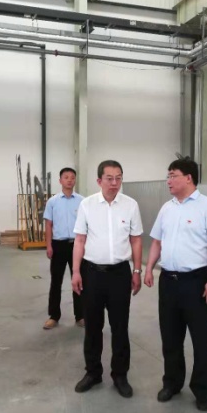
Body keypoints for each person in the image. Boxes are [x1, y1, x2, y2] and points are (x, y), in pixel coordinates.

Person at [144, 157, 207, 411]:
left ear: (188, 178)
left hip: (196, 283)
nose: (168, 181)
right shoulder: (166, 208)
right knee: (170, 337)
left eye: (173, 175)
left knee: (201, 340)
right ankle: (172, 383)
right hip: (168, 281)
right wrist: (148, 268)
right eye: (168, 176)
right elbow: (157, 241)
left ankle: (202, 391)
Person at [71, 160, 143, 398]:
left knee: (120, 327)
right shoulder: (87, 205)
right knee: (93, 327)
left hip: (120, 274)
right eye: (109, 178)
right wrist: (76, 272)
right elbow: (80, 240)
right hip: (92, 274)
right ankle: (93, 372)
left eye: (118, 178)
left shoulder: (130, 205)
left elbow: (136, 240)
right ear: (99, 180)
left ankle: (120, 375)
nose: (114, 183)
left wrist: (137, 271)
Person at [43, 168, 84, 330]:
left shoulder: (82, 201)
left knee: (79, 281)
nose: (69, 180)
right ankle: (54, 316)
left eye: (72, 177)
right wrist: (48, 245)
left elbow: (87, 225)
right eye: (66, 177)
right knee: (56, 282)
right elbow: (48, 225)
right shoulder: (52, 202)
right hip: (58, 245)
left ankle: (80, 316)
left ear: (75, 180)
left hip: (77, 245)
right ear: (60, 181)